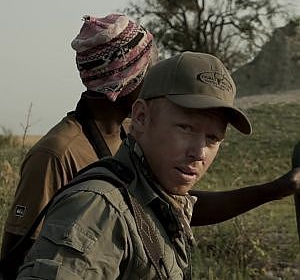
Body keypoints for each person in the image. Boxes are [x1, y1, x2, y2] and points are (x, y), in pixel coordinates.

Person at [16, 52, 300, 279]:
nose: (199, 152)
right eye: (186, 128)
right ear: (140, 118)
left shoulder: (154, 194)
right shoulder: (99, 209)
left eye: (213, 138)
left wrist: (278, 189)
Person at [1, 13, 157, 267]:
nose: (154, 84)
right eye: (148, 71)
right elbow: (15, 259)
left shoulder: (130, 137)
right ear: (124, 81)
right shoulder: (56, 154)